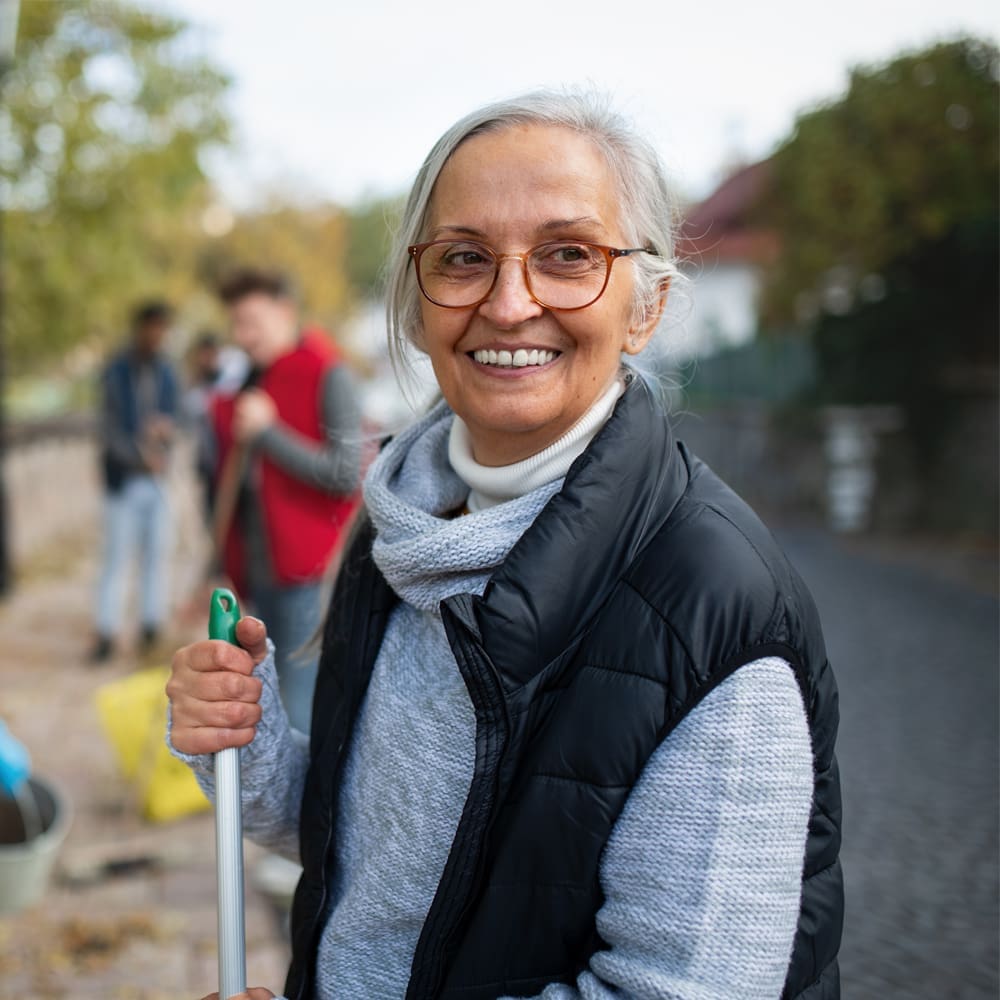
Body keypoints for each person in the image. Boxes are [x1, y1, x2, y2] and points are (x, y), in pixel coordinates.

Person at [170, 91, 843, 1000]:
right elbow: (376, 843)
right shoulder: (398, 528)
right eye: (464, 259)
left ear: (646, 310)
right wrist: (244, 744)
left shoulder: (712, 609)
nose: (510, 301)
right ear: (417, 306)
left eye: (570, 255)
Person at [207, 268, 362, 734]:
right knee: (264, 690)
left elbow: (345, 473)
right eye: (236, 324)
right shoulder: (253, 379)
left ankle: (305, 806)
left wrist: (267, 433)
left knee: (299, 703)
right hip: (258, 567)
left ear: (285, 311)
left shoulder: (329, 371)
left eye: (252, 321)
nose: (243, 335)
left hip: (307, 571)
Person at [91, 300, 179, 663]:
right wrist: (139, 456)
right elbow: (108, 432)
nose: (157, 336)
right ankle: (107, 631)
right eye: (153, 328)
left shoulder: (168, 374)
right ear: (141, 328)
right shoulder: (115, 372)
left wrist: (166, 434)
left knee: (157, 556)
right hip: (124, 482)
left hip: (157, 483)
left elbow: (180, 419)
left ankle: (150, 625)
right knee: (116, 559)